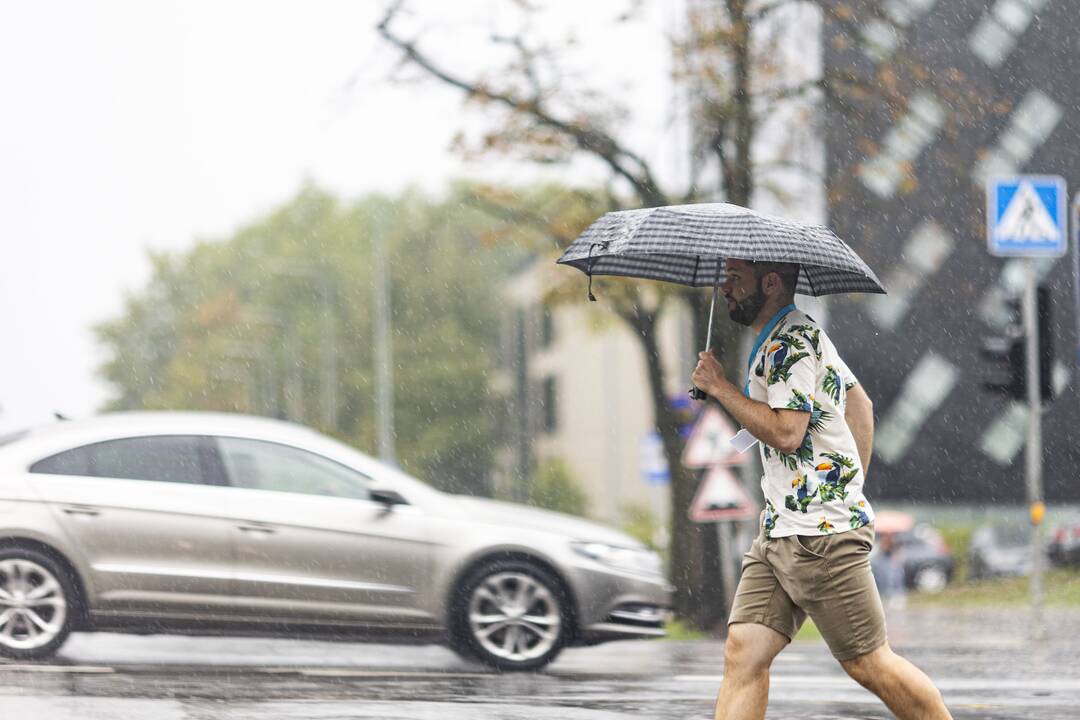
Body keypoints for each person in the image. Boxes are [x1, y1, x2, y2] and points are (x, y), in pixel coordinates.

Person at [690, 258, 952, 720]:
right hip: (780, 533)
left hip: (818, 538)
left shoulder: (791, 341)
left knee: (869, 662)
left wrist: (722, 388)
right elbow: (861, 406)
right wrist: (849, 490)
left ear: (770, 282)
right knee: (743, 652)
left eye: (734, 277)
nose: (724, 286)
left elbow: (788, 432)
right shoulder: (791, 334)